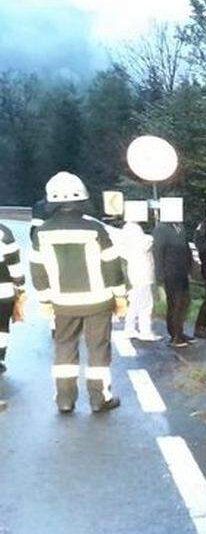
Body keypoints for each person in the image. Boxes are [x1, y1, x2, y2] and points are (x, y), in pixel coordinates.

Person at [28, 172, 127, 413]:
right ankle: (99, 399)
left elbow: (37, 270)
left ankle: (64, 399)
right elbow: (112, 266)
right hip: (98, 302)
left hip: (62, 304)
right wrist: (120, 295)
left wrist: (44, 300)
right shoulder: (95, 229)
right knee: (98, 350)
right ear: (82, 198)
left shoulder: (41, 233)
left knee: (64, 348)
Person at [152, 215, 194, 347]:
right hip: (170, 272)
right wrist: (159, 275)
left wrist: (190, 268)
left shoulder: (180, 227)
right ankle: (174, 335)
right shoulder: (161, 229)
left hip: (182, 271)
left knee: (184, 302)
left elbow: (186, 249)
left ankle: (180, 331)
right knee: (174, 304)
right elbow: (158, 252)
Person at [117, 217, 160, 341]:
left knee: (135, 303)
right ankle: (145, 331)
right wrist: (150, 239)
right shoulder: (134, 230)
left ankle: (129, 329)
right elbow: (145, 245)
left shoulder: (126, 231)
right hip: (142, 273)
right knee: (146, 304)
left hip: (134, 272)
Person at [1, 221, 26, 378]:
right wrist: (20, 285)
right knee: (1, 327)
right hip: (2, 292)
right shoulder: (3, 233)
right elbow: (14, 265)